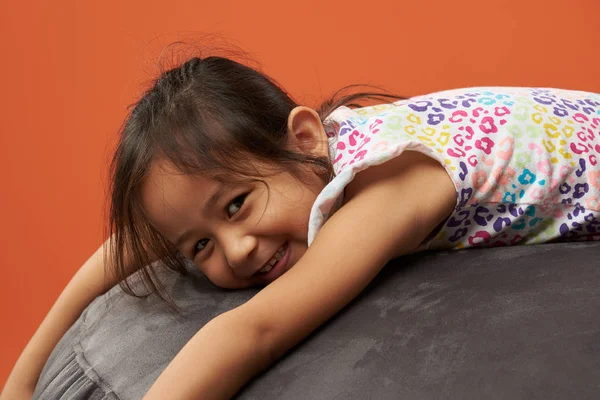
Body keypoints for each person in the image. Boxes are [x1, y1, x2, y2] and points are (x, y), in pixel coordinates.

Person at [3, 55, 600, 400]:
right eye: (201, 245)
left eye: (237, 205)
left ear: (306, 138)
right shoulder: (310, 160)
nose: (235, 252)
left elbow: (256, 330)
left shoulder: (389, 190)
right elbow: (128, 248)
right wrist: (20, 383)